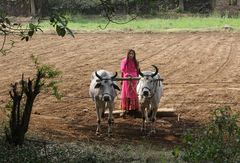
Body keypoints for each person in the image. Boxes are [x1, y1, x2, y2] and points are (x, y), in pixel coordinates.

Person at [120, 49, 139, 117]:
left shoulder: (136, 61)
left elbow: (137, 70)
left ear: (134, 55)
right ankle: (126, 108)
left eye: (132, 54)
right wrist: (127, 75)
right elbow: (123, 70)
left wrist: (137, 77)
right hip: (127, 78)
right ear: (127, 54)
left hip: (134, 79)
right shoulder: (124, 61)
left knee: (134, 92)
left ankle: (134, 108)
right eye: (130, 54)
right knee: (127, 93)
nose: (131, 55)